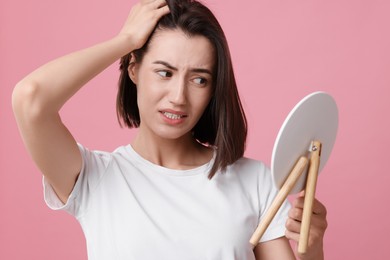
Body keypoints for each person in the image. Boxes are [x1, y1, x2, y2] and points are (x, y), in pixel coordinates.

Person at [12, 0, 328, 259]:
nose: (178, 97)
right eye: (164, 72)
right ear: (133, 69)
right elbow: (31, 99)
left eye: (199, 79)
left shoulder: (255, 181)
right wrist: (124, 42)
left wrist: (311, 249)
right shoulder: (95, 179)